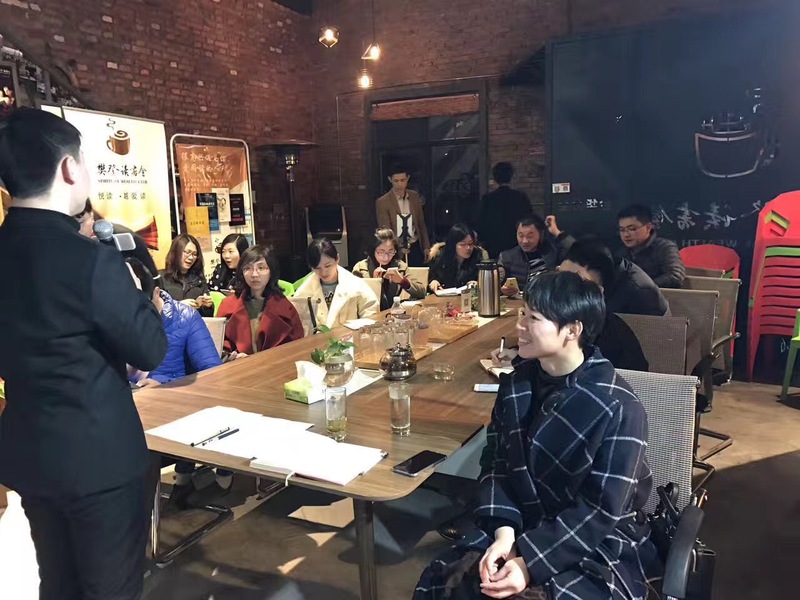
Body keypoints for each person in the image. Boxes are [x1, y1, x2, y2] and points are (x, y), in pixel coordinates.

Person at [0, 108, 167, 600]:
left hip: (30, 451)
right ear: (69, 168)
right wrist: (146, 297)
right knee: (110, 589)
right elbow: (150, 348)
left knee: (57, 583)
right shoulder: (90, 259)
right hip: (100, 459)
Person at [416, 272, 654, 600]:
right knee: (448, 580)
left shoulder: (618, 406)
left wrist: (529, 561)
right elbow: (496, 464)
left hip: (592, 540)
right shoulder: (517, 384)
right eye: (522, 314)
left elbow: (600, 509)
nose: (520, 326)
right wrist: (504, 534)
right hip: (520, 520)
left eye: (534, 318)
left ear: (573, 330)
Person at [125, 259, 230, 508]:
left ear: (156, 293)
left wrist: (163, 385)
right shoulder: (117, 322)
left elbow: (213, 375)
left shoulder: (185, 318)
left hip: (171, 409)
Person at [217, 245, 304, 356]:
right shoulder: (228, 305)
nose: (254, 274)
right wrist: (232, 356)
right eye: (247, 268)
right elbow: (217, 343)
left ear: (271, 271)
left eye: (261, 268)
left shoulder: (285, 307)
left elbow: (297, 346)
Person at [561, 239, 670, 318]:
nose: (571, 284)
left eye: (576, 277)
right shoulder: (608, 270)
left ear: (595, 271)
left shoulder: (636, 290)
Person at [294, 238, 379, 328]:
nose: (323, 272)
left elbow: (370, 312)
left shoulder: (355, 285)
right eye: (317, 268)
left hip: (350, 336)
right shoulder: (304, 291)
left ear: (337, 259)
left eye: (327, 266)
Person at [72, 198, 159, 277]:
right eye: (69, 224)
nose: (77, 230)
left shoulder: (125, 238)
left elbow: (153, 277)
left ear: (91, 213)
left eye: (81, 222)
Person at [498, 215, 574, 295]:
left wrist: (556, 232)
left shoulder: (553, 252)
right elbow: (494, 285)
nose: (524, 241)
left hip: (546, 299)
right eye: (521, 236)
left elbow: (578, 252)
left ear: (541, 234)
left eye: (530, 236)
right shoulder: (507, 257)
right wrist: (501, 290)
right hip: (518, 300)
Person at [352, 228, 426, 310]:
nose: (386, 257)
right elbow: (354, 300)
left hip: (394, 312)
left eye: (390, 252)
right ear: (373, 250)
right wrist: (374, 284)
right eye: (381, 252)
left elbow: (422, 292)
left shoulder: (400, 266)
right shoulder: (360, 268)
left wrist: (402, 281)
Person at [617, 204, 685, 288]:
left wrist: (641, 287)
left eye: (632, 229)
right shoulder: (620, 252)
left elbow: (675, 276)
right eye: (622, 230)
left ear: (648, 227)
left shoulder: (664, 247)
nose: (626, 235)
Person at [375, 165, 431, 266]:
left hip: (415, 245)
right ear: (390, 179)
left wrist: (426, 246)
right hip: (395, 249)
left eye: (402, 180)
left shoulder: (414, 196)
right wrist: (398, 247)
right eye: (396, 181)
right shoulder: (383, 202)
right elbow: (385, 230)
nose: (400, 184)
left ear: (408, 178)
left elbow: (421, 223)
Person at [474, 162, 532, 257]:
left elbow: (480, 223)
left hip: (493, 245)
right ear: (511, 176)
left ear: (495, 178)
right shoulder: (521, 197)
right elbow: (529, 221)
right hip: (516, 244)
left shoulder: (488, 199)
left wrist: (482, 240)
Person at [159, 233, 214, 316]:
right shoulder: (161, 278)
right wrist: (179, 306)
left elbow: (208, 316)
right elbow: (156, 309)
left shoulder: (199, 279)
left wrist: (206, 306)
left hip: (194, 322)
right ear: (176, 252)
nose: (191, 257)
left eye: (194, 254)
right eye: (187, 252)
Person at [427, 223, 488, 292]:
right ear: (453, 245)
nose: (468, 248)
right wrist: (434, 282)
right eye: (463, 244)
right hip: (443, 296)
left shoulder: (478, 257)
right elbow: (432, 279)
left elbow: (485, 283)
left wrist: (477, 283)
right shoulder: (440, 257)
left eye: (470, 244)